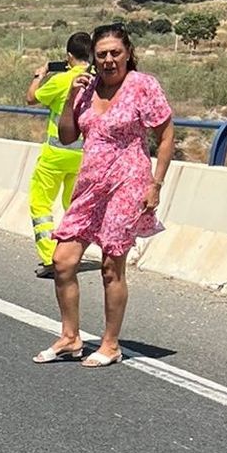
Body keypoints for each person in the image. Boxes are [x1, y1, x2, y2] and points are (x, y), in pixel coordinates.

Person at [34, 24, 174, 368]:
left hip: (128, 182)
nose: (109, 60)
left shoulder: (143, 86)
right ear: (93, 58)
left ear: (128, 54)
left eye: (115, 53)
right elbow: (68, 136)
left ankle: (110, 343)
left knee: (112, 266)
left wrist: (155, 184)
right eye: (102, 54)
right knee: (63, 261)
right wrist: (69, 99)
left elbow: (166, 134)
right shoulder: (86, 88)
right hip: (90, 185)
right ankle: (70, 337)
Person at [24, 32, 94, 277]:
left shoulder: (63, 79)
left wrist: (39, 76)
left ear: (68, 57)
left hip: (56, 153)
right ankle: (73, 253)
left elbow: (32, 98)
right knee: (72, 205)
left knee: (41, 204)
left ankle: (49, 257)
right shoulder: (97, 80)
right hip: (84, 155)